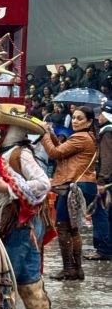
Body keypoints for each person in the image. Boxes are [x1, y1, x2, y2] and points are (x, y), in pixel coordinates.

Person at [0, 106, 59, 309]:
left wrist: (6, 188)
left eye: (1, 128)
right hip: (20, 224)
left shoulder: (19, 154)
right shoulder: (10, 153)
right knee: (29, 284)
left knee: (2, 283)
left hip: (18, 224)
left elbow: (43, 184)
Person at [40, 106, 98, 280]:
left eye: (80, 118)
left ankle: (69, 269)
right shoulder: (88, 137)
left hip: (73, 186)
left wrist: (43, 135)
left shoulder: (80, 137)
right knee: (73, 229)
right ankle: (76, 269)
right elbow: (63, 151)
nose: (75, 121)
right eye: (73, 117)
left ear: (89, 121)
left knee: (64, 227)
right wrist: (51, 134)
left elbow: (55, 153)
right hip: (83, 185)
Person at [85, 101, 112, 260]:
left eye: (100, 113)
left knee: (100, 214)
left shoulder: (107, 132)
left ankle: (103, 249)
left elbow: (107, 159)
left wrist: (102, 180)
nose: (98, 117)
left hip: (107, 181)